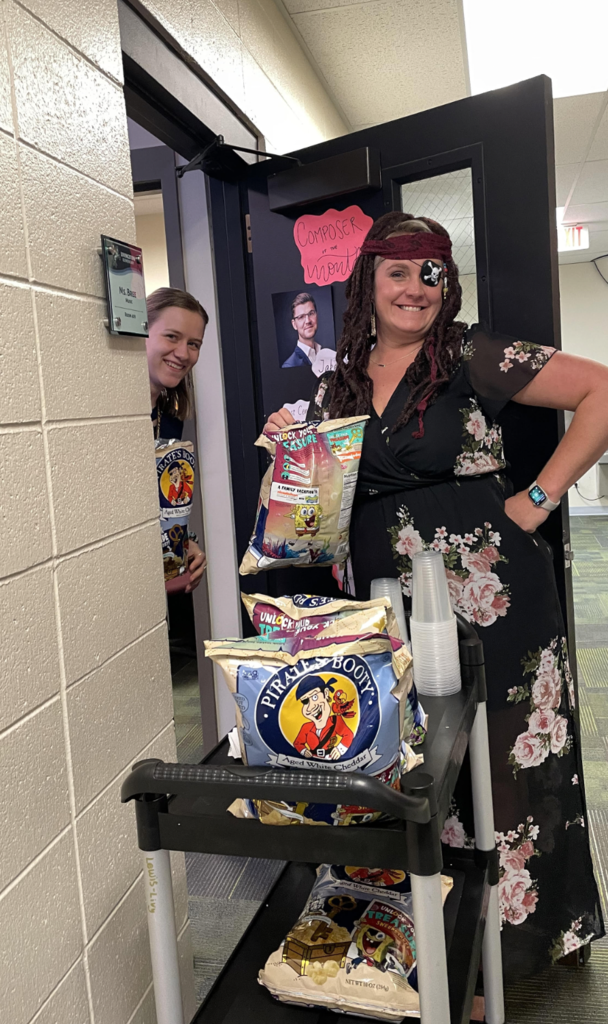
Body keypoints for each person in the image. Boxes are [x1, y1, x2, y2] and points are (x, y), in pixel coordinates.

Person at [266, 212, 607, 978]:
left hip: (494, 601)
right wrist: (289, 447)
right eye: (399, 271)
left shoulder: (470, 354)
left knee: (506, 770)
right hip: (391, 615)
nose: (416, 288)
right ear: (368, 280)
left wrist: (537, 500)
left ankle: (514, 954)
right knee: (423, 779)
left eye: (432, 273)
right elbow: (308, 519)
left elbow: (602, 391)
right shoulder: (336, 383)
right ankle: (441, 947)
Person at [147, 287, 208, 594]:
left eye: (193, 344)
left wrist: (186, 544)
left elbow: (163, 507)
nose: (183, 354)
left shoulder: (170, 421)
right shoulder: (109, 419)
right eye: (172, 337)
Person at [282, 292, 320, 367]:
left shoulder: (326, 353)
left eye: (311, 313)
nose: (308, 321)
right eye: (301, 317)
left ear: (317, 315)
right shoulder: (289, 365)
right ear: (294, 325)